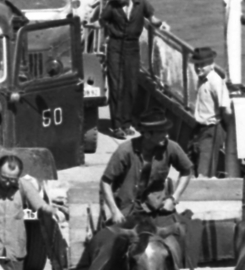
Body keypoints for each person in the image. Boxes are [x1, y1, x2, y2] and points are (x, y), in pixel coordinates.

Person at [99, 115, 192, 226]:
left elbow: (186, 170)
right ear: (147, 134)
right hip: (127, 210)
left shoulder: (171, 147)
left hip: (156, 208)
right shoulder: (125, 151)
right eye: (161, 132)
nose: (166, 135)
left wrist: (173, 198)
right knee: (114, 240)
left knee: (178, 235)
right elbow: (105, 182)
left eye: (166, 131)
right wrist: (115, 212)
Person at [99, 0, 162, 136]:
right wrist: (110, 31)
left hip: (132, 47)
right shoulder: (112, 6)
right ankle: (116, 126)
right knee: (116, 86)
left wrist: (159, 24)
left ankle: (126, 123)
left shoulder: (141, 3)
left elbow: (152, 18)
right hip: (115, 46)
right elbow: (103, 20)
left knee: (131, 86)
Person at [189, 45, 233, 177]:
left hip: (212, 127)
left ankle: (202, 185)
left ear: (211, 64)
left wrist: (227, 129)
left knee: (205, 165)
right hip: (200, 127)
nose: (198, 68)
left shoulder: (215, 82)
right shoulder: (202, 79)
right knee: (190, 158)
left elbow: (225, 108)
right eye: (196, 65)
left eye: (202, 65)